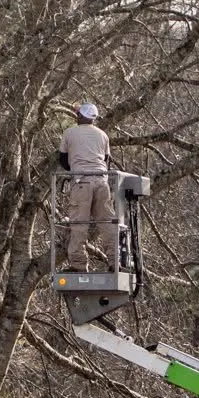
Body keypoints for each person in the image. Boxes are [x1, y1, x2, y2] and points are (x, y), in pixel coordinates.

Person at [57, 101, 116, 271]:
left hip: (82, 182)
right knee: (106, 222)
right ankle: (115, 262)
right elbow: (106, 160)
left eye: (78, 113)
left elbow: (63, 159)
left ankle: (78, 265)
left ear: (81, 116)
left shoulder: (70, 133)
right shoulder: (103, 135)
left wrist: (75, 169)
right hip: (102, 182)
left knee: (79, 224)